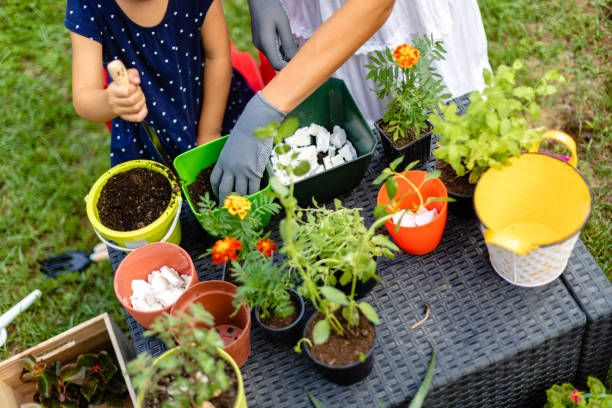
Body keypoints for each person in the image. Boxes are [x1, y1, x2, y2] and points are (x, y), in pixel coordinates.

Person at [211, 0, 396, 201]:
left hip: (366, 19)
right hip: (306, 12)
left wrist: (269, 105)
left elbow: (375, 5)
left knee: (391, 121)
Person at [65, 0, 253, 166]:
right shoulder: (87, 4)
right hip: (147, 139)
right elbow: (84, 98)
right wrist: (111, 101)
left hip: (213, 108)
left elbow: (217, 57)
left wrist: (209, 132)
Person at [248, 0, 491, 124]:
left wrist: (273, 101)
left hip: (402, 14)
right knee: (361, 137)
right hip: (315, 10)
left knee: (450, 127)